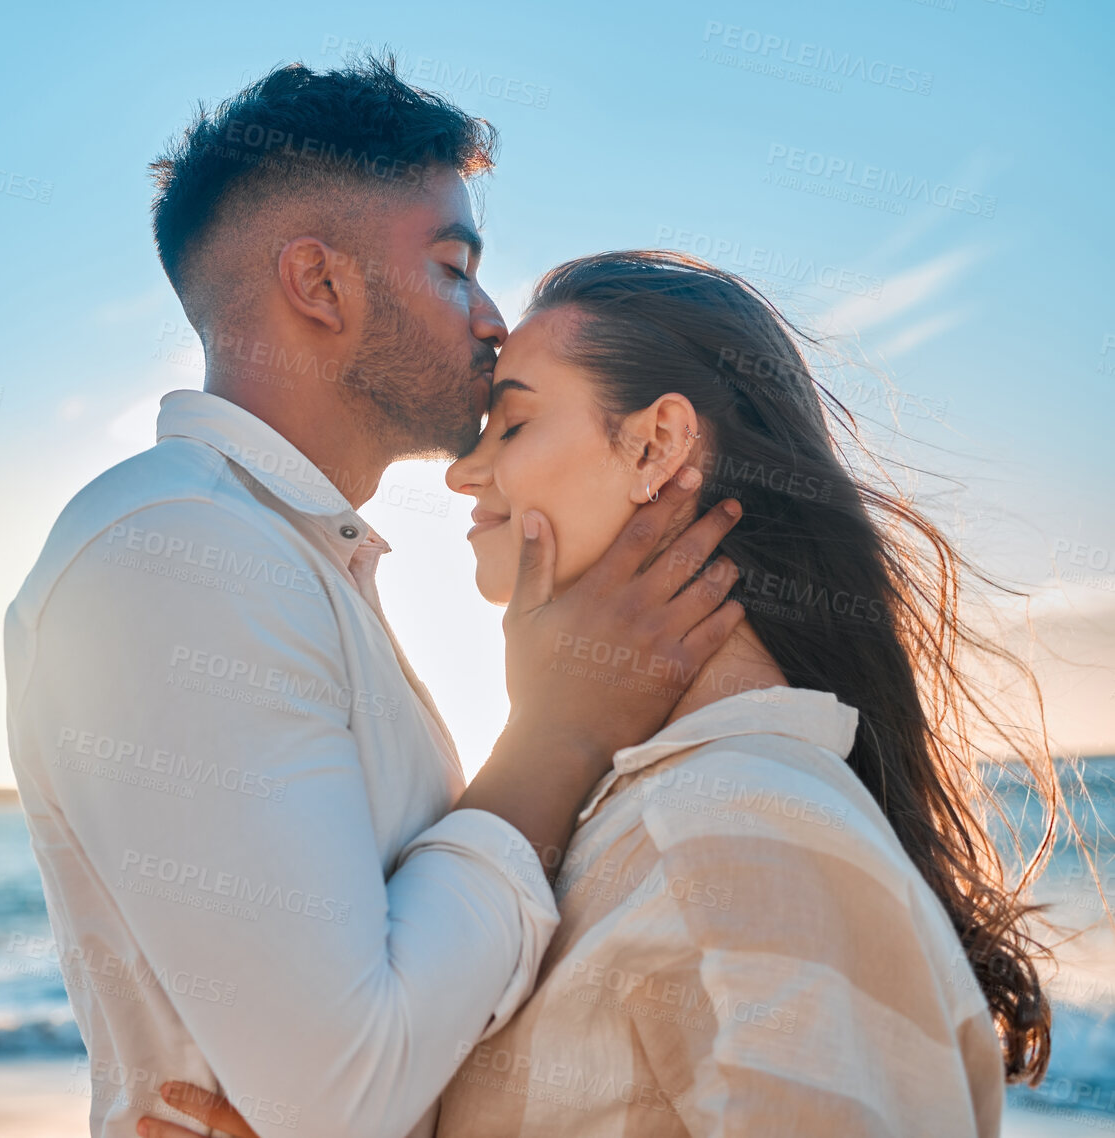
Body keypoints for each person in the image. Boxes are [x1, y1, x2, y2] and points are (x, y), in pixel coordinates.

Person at [139, 251, 1060, 1138]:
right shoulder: (655, 817)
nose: (462, 472)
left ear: (655, 444)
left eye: (512, 425)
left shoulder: (743, 828)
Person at [3, 60, 743, 1138]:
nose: (491, 319)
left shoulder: (282, 558)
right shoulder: (180, 551)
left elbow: (378, 1057)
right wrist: (554, 732)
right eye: (452, 267)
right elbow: (340, 1096)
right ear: (320, 285)